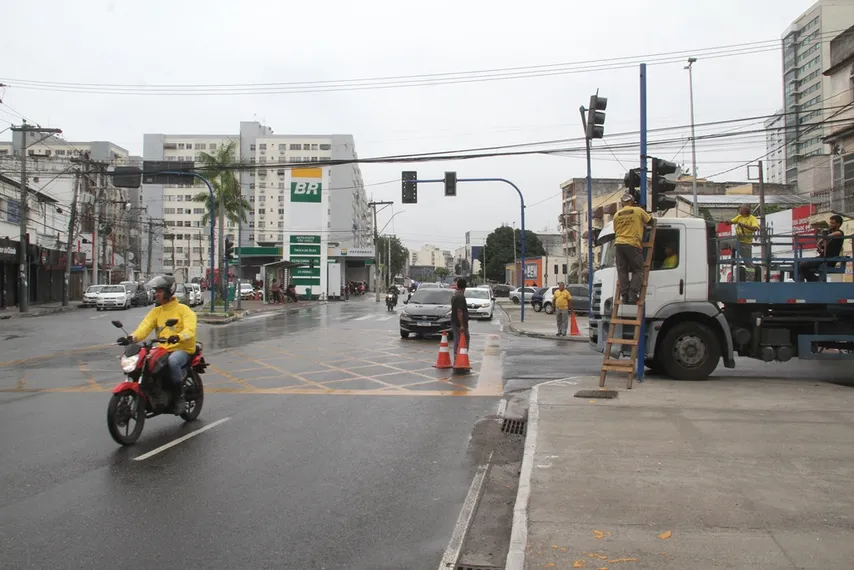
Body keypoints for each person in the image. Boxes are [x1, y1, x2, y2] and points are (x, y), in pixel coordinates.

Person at [117, 275, 197, 414]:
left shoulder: (183, 310)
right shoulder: (156, 312)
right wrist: (130, 338)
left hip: (181, 348)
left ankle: (179, 397)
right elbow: (144, 328)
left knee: (173, 361)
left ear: (168, 291)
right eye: (156, 291)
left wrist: (177, 337)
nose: (156, 294)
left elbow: (190, 329)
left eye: (159, 291)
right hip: (162, 348)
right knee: (144, 361)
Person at [613, 193, 652, 304]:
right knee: (638, 270)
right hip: (633, 243)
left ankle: (624, 294)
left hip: (619, 244)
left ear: (622, 203)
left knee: (622, 270)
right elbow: (650, 221)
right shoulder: (638, 211)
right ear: (632, 202)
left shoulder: (616, 215)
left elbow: (616, 230)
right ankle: (632, 294)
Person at [798, 214, 845, 282]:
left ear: (838, 224)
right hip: (822, 257)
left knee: (803, 265)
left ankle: (813, 281)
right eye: (830, 222)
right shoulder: (829, 234)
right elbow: (825, 247)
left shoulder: (839, 233)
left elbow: (835, 234)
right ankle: (812, 280)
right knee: (798, 264)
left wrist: (821, 240)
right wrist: (820, 248)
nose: (830, 224)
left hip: (829, 259)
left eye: (832, 223)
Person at [730, 204, 759, 281]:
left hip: (746, 243)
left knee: (748, 262)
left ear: (746, 210)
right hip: (738, 241)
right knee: (723, 243)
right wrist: (727, 222)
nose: (739, 210)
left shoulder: (752, 218)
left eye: (741, 209)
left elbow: (755, 228)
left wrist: (744, 225)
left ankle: (750, 279)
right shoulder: (739, 217)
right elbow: (731, 221)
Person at [451, 278, 471, 360]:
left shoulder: (455, 295)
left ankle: (458, 355)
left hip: (455, 322)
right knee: (463, 338)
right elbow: (459, 311)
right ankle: (460, 355)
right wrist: (462, 325)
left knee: (457, 338)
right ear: (465, 286)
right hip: (459, 323)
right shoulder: (460, 297)